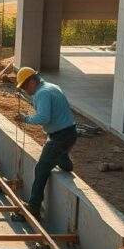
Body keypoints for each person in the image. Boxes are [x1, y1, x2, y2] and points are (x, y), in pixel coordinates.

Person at [14, 67, 77, 218]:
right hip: (70, 133)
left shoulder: (42, 93)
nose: (24, 89)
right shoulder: (52, 87)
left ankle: (34, 208)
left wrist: (25, 118)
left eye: (24, 86)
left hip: (59, 136)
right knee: (57, 154)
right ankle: (65, 161)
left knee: (41, 168)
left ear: (33, 81)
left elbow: (44, 118)